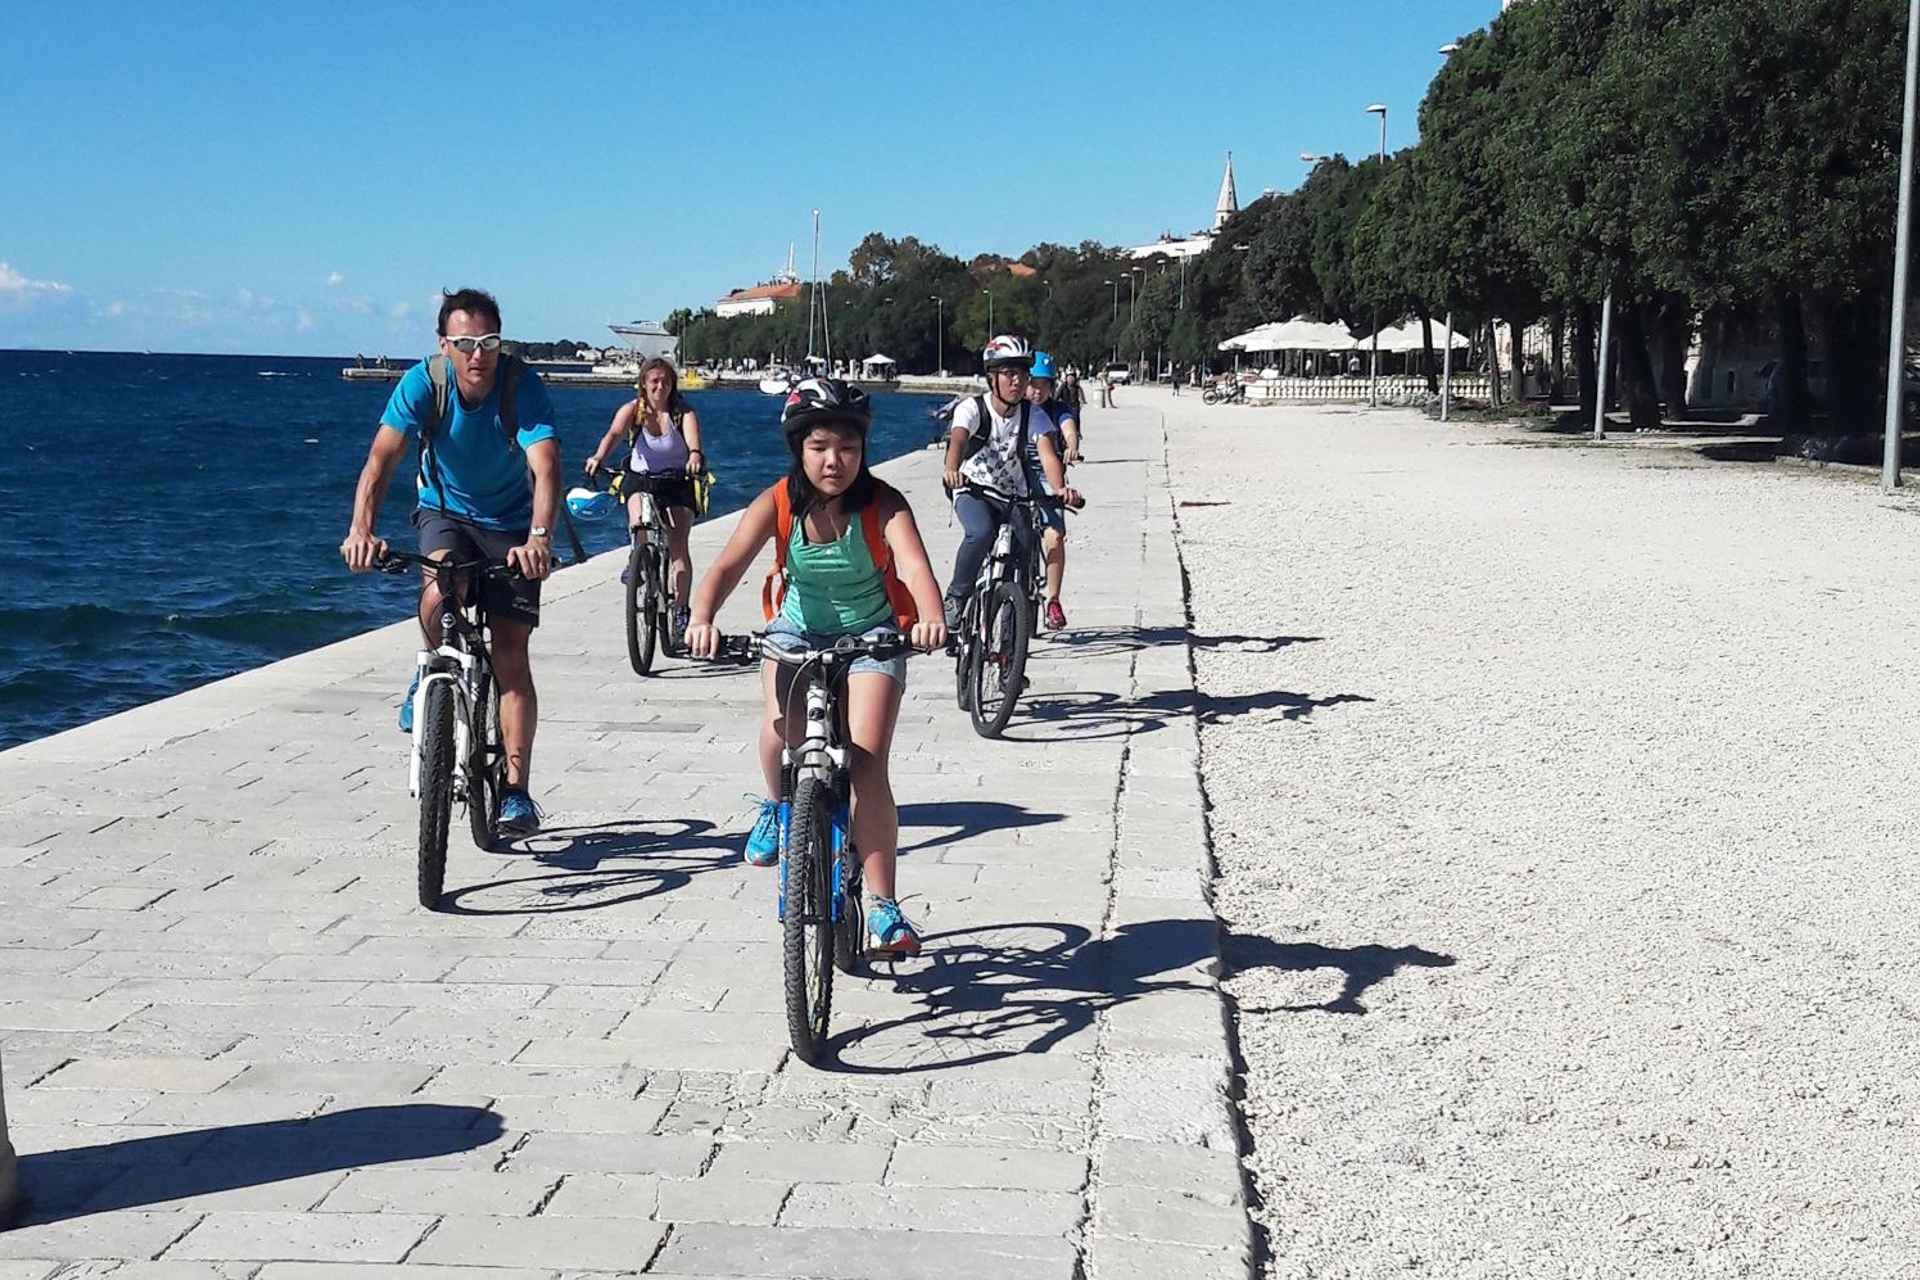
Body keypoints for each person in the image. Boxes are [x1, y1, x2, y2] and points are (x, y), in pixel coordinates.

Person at [686, 379, 947, 955]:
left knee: (867, 762)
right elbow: (727, 566)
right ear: (798, 449)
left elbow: (913, 567)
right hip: (797, 631)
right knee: (780, 727)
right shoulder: (778, 501)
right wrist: (701, 617)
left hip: (872, 636)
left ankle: (883, 905)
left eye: (848, 448)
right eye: (820, 447)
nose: (834, 461)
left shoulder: (884, 504)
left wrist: (931, 618)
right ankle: (778, 806)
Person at [340, 288, 560, 836]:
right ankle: (430, 669)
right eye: (464, 343)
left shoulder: (520, 386)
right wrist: (361, 529)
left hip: (510, 522)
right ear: (444, 345)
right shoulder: (424, 383)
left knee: (511, 655)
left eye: (488, 342)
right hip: (444, 511)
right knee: (441, 585)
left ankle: (516, 791)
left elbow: (547, 467)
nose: (477, 354)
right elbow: (381, 459)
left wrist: (538, 539)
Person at [941, 336, 1082, 629]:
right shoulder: (972, 408)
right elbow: (958, 440)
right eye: (1008, 373)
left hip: (1013, 494)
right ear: (991, 377)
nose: (1017, 381)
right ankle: (956, 597)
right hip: (973, 488)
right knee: (980, 533)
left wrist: (1059, 489)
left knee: (1026, 543)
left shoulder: (1033, 415)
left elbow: (1047, 454)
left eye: (1022, 373)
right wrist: (951, 469)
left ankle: (1015, 618)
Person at [584, 357, 706, 635]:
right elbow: (614, 434)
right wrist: (598, 457)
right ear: (643, 384)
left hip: (676, 481)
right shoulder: (632, 410)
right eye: (654, 381)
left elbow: (694, 445)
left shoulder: (683, 413)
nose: (660, 387)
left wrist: (695, 457)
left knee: (678, 547)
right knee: (639, 522)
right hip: (642, 478)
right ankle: (637, 559)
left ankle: (681, 609)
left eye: (666, 381)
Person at [1023, 351, 1082, 631]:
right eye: (1032, 384)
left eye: (1043, 385)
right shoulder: (1013, 410)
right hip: (1016, 477)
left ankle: (1053, 600)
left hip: (1049, 480)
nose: (1037, 391)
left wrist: (1072, 446)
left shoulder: (1058, 409)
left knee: (1055, 537)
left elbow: (1069, 429)